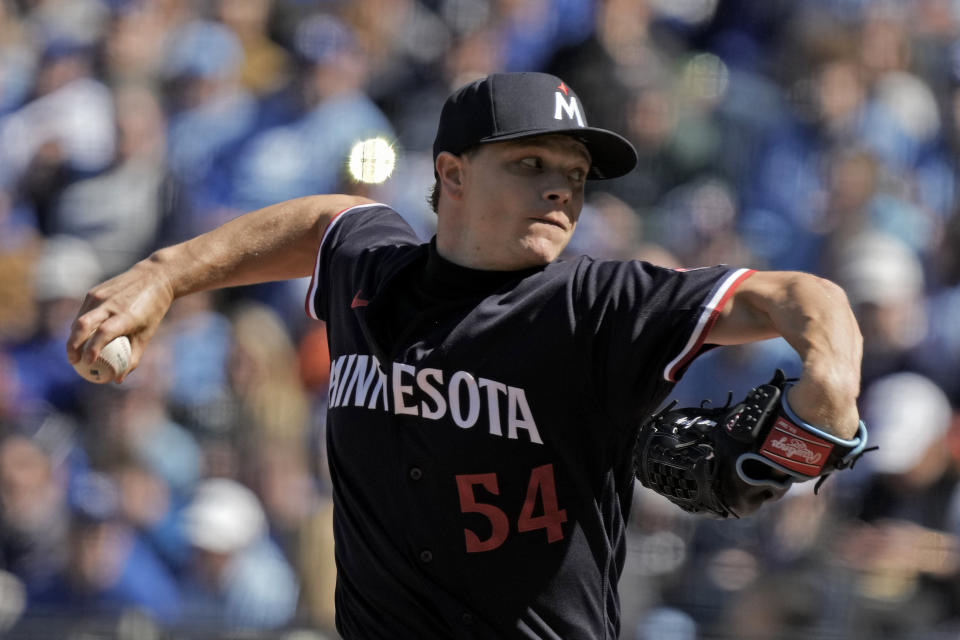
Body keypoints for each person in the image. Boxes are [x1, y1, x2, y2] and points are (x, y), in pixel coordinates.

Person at [67, 72, 863, 639]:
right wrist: (163, 275)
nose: (562, 191)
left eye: (576, 175)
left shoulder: (597, 304)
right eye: (531, 165)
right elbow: (324, 221)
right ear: (450, 173)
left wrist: (829, 385)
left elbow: (802, 297)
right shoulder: (371, 272)